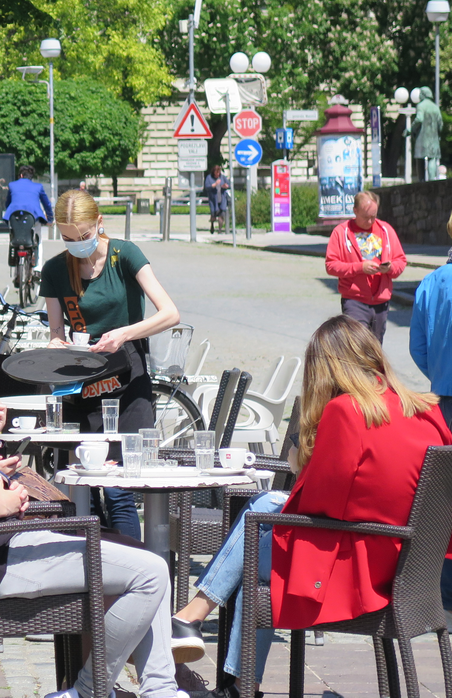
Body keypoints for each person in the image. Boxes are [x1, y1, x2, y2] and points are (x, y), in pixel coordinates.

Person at [0, 310, 188, 698]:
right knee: (152, 571)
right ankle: (89, 691)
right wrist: (5, 501)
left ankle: (159, 691)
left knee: (135, 556)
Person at [170, 316, 452, 698]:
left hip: (360, 569)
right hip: (408, 561)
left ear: (326, 368)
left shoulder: (347, 410)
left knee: (254, 539)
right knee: (262, 511)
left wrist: (299, 462)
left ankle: (200, 630)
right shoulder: (425, 410)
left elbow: (320, 504)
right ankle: (221, 661)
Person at [39, 189, 180, 542]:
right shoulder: (55, 270)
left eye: (84, 236)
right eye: (68, 238)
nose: (77, 245)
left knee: (119, 487)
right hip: (80, 383)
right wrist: (57, 342)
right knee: (81, 489)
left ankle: (135, 570)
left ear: (100, 223)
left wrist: (124, 334)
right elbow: (56, 330)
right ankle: (92, 573)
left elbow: (170, 313)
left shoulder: (124, 255)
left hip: (127, 377)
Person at [407, 207, 452, 631]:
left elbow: (417, 347)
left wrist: (440, 372)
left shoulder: (430, 284)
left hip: (442, 399)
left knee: (443, 496)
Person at [324, 190, 407, 343]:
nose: (370, 222)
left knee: (375, 349)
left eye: (373, 217)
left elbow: (401, 261)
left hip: (381, 302)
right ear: (355, 211)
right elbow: (331, 265)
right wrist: (359, 268)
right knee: (357, 346)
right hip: (354, 301)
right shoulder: (341, 232)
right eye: (365, 217)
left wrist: (389, 268)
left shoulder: (386, 230)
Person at [202, 165, 230, 234]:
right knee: (213, 215)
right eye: (216, 173)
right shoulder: (209, 177)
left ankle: (219, 230)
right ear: (213, 172)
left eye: (219, 173)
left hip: (222, 199)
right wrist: (214, 184)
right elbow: (207, 187)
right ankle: (212, 225)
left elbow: (229, 185)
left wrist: (226, 186)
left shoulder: (222, 177)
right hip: (213, 200)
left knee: (221, 215)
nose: (217, 174)